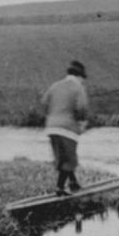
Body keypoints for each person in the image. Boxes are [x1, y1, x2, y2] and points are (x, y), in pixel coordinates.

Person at [42, 60, 89, 196]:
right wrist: (82, 122)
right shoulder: (78, 88)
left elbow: (44, 102)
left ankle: (73, 182)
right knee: (70, 160)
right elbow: (81, 107)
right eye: (83, 78)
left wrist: (53, 115)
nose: (83, 81)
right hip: (68, 128)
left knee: (62, 158)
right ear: (79, 76)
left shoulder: (55, 86)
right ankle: (60, 187)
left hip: (51, 127)